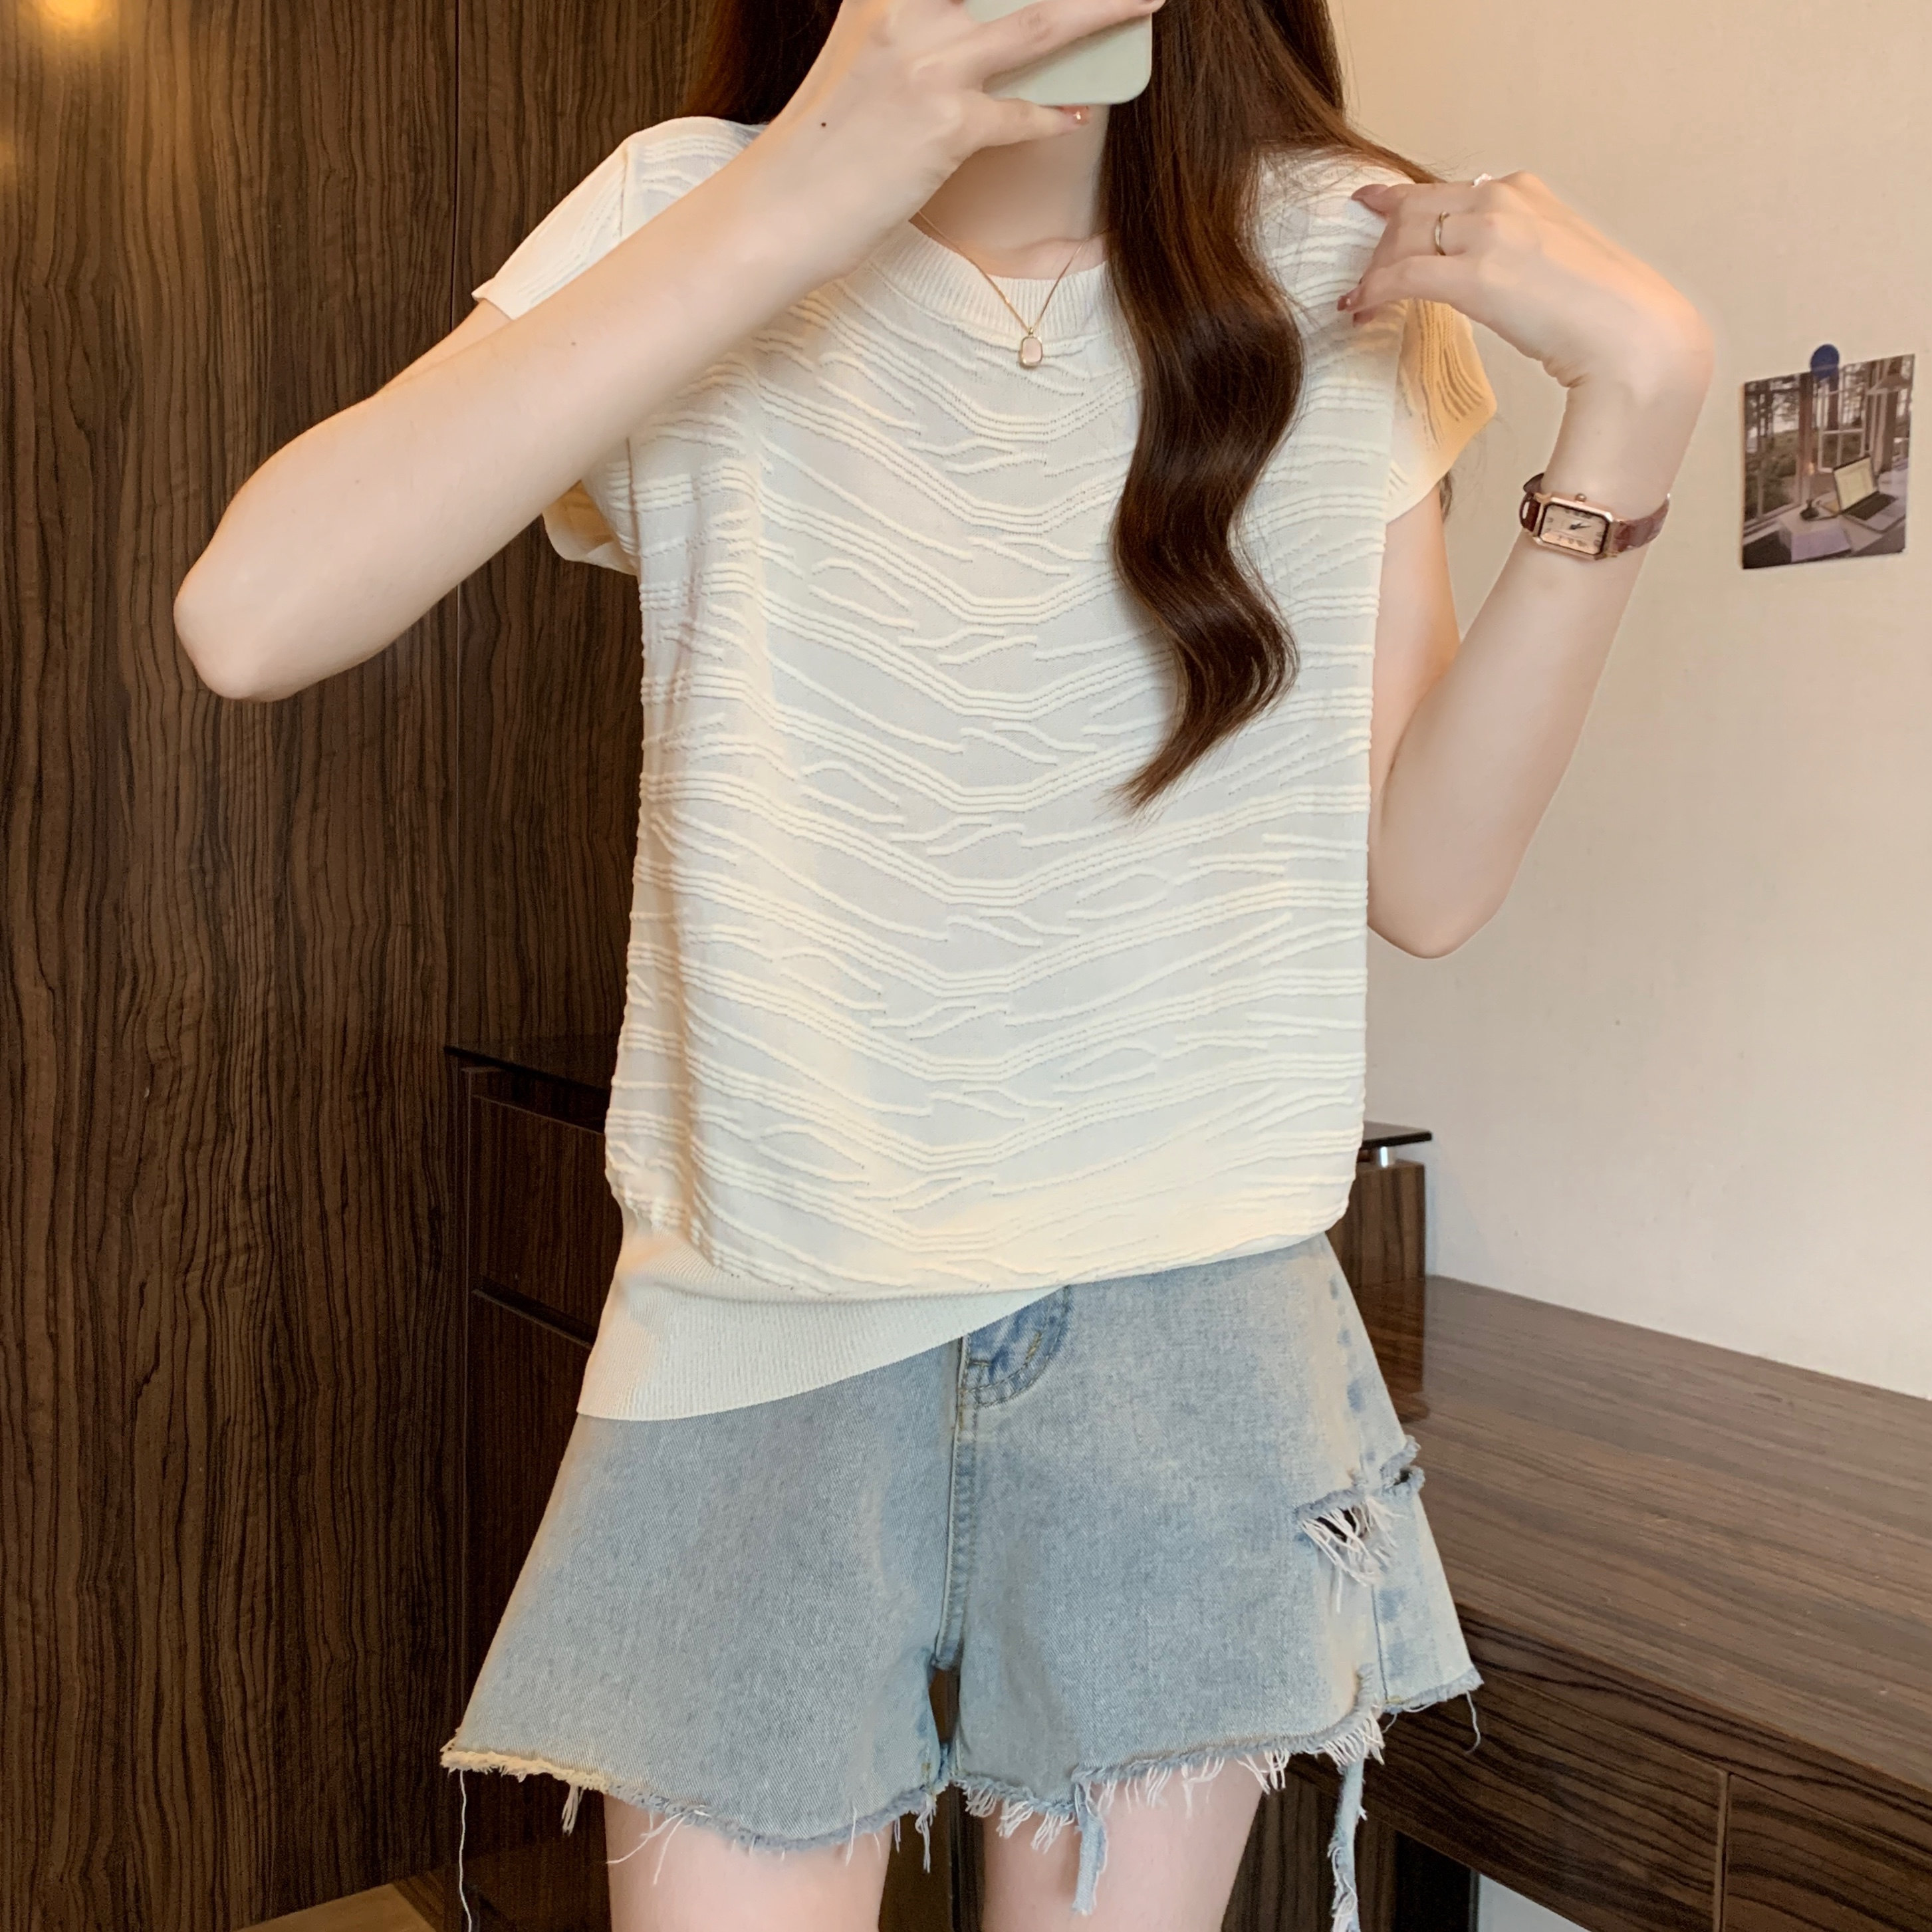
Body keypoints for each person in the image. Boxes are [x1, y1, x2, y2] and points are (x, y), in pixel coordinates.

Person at [174, 0, 1711, 1924]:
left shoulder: (1342, 253)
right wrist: (806, 188)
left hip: (1188, 1312)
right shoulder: (694, 205)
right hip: (763, 1301)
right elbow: (251, 615)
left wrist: (1643, 396)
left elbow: (1424, 874)